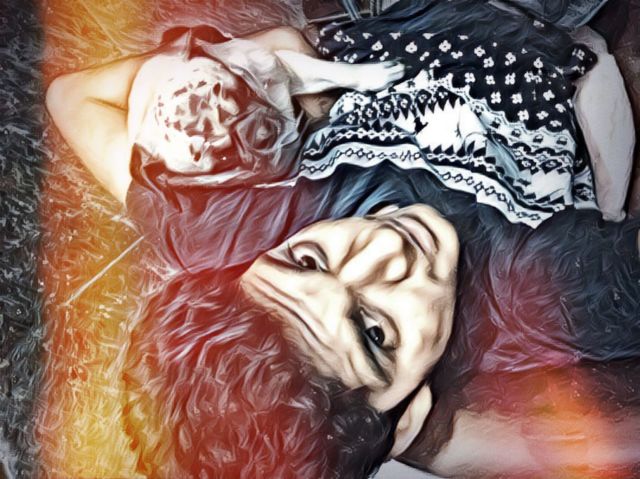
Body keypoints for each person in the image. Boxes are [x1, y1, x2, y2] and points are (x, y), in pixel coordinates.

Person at [46, 1, 640, 477]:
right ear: (409, 415)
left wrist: (252, 62)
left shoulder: (235, 246)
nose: (385, 248)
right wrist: (438, 444)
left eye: (308, 261)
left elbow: (73, 97)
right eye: (375, 333)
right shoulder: (535, 296)